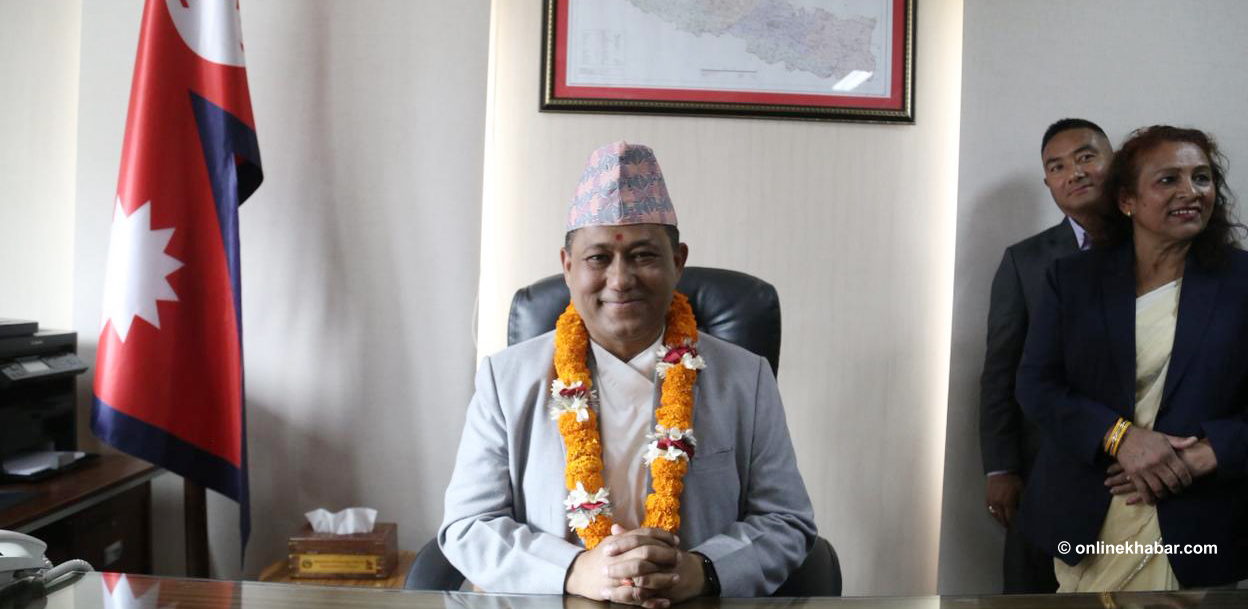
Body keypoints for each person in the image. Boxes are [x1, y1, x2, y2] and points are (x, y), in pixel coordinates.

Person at [439, 142, 816, 605]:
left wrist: (702, 570)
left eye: (643, 256)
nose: (620, 280)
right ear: (568, 267)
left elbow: (786, 521)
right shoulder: (505, 380)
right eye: (599, 258)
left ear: (678, 262)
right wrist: (574, 570)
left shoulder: (746, 378)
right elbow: (467, 526)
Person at [1016, 125, 1248, 590]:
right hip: (1089, 510)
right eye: (1168, 180)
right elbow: (1036, 385)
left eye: (1202, 178)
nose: (1190, 192)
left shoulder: (1240, 281)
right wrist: (1119, 436)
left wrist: (1209, 453)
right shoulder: (1074, 279)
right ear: (1127, 200)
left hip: (1199, 515)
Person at [979, 118, 1113, 593]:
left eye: (1086, 157)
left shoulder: (1156, 248)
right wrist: (1001, 467)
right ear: (1048, 183)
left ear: (1114, 162)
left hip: (1136, 464)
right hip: (1044, 466)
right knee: (1034, 590)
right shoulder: (1025, 261)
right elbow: (1001, 371)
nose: (1073, 173)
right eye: (1057, 167)